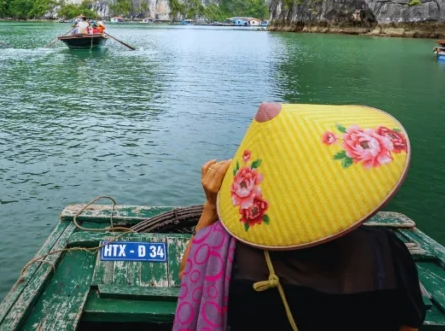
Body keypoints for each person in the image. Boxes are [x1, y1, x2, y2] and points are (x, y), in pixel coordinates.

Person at [176, 103, 425, 331]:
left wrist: (211, 206)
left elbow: (189, 276)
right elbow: (408, 326)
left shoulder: (231, 251)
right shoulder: (387, 251)